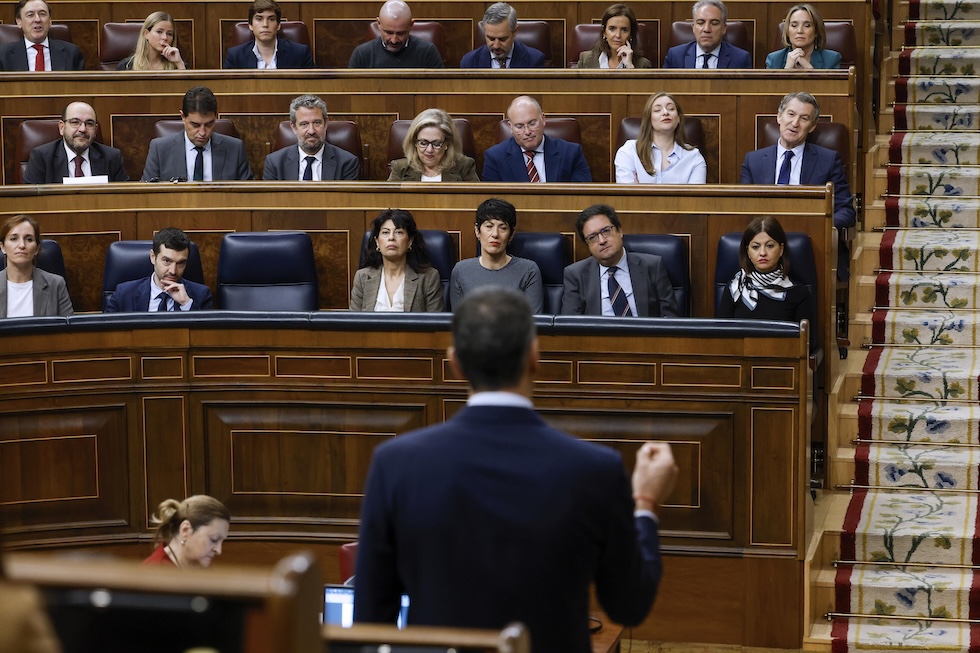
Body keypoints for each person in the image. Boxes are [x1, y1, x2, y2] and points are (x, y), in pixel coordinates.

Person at [353, 285, 678, 651]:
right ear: (534, 357)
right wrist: (646, 503)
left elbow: (370, 626)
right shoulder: (595, 469)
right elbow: (629, 605)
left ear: (455, 363)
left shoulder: (395, 465)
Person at [739, 91, 854, 276]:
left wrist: (817, 225)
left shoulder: (828, 160)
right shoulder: (753, 161)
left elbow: (846, 211)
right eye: (791, 114)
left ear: (812, 126)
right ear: (779, 116)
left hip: (812, 245)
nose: (795, 123)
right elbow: (743, 209)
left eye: (804, 118)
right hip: (764, 246)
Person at [561, 204, 678, 317]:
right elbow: (569, 325)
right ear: (587, 244)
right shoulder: (575, 275)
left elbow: (670, 319)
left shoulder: (652, 266)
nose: (602, 241)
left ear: (620, 231)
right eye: (592, 237)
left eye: (606, 231)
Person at [716, 216, 815, 329]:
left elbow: (807, 339)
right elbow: (720, 336)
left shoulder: (799, 294)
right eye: (755, 247)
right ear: (748, 252)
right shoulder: (735, 289)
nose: (762, 253)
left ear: (781, 249)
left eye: (769, 246)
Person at [141, 87, 253, 182]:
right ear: (183, 117)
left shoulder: (235, 149)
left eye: (209, 124)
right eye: (195, 125)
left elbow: (249, 195)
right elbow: (146, 194)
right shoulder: (160, 150)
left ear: (216, 117)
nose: (203, 133)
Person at [450, 198, 543, 312]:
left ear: (511, 235)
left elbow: (533, 320)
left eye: (503, 228)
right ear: (477, 231)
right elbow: (458, 319)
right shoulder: (461, 271)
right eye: (489, 226)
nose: (495, 234)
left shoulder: (528, 270)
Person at [350, 209, 444, 312]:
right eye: (385, 232)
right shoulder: (362, 278)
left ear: (410, 241)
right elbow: (353, 321)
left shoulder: (428, 278)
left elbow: (435, 321)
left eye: (399, 232)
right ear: (377, 242)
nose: (391, 238)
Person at [482, 96, 591, 183]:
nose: (527, 132)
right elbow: (493, 201)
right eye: (519, 126)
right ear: (511, 127)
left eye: (532, 123)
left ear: (543, 119)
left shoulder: (571, 153)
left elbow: (582, 197)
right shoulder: (495, 157)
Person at [105, 227, 213, 312]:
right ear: (153, 257)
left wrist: (186, 304)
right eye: (167, 261)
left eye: (180, 263)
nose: (173, 271)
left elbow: (206, 333)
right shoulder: (124, 294)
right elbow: (107, 331)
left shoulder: (201, 295)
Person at [23, 102, 129, 184]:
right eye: (75, 122)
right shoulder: (42, 158)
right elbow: (32, 201)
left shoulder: (112, 158)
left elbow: (124, 198)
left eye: (89, 124)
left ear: (95, 130)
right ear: (62, 127)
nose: (82, 129)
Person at [614, 92, 706, 184]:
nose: (665, 112)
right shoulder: (629, 151)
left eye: (671, 108)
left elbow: (695, 194)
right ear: (649, 119)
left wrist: (641, 189)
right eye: (657, 110)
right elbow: (627, 193)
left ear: (678, 118)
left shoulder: (694, 157)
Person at [263, 94, 359, 181]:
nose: (311, 131)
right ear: (294, 127)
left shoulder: (347, 163)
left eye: (317, 123)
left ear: (326, 124)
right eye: (304, 124)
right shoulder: (274, 163)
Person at [0, 214, 72, 318]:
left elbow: (69, 327)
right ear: (3, 247)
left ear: (37, 248)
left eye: (29, 239)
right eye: (14, 239)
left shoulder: (56, 285)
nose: (22, 245)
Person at [387, 108, 479, 181]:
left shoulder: (464, 166)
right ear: (415, 142)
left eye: (436, 143)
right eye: (423, 143)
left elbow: (476, 198)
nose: (429, 150)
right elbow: (389, 198)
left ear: (447, 143)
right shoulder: (400, 168)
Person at [348, 0, 444, 68]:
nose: (394, 40)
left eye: (400, 33)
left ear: (411, 25)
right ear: (379, 24)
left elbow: (440, 88)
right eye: (388, 32)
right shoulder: (361, 54)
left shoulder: (428, 52)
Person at [143, 495, 230, 567]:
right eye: (214, 539)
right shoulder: (154, 571)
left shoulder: (200, 564)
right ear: (185, 530)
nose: (219, 550)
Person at [223, 0, 315, 69]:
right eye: (259, 19)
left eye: (271, 19)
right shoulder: (235, 56)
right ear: (250, 25)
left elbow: (311, 87)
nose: (265, 25)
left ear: (278, 25)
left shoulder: (300, 53)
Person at [662, 0, 752, 68]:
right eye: (701, 23)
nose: (706, 29)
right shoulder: (675, 56)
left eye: (714, 23)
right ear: (693, 27)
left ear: (724, 28)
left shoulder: (740, 59)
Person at [0, 0, 84, 71]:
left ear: (50, 20)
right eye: (30, 15)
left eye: (42, 14)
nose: (37, 19)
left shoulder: (72, 53)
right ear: (19, 22)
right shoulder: (3, 55)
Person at [459, 2, 545, 68]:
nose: (496, 46)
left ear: (515, 32)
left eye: (502, 39)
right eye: (491, 39)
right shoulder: (469, 62)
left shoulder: (534, 60)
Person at [765, 3, 841, 69]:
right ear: (787, 31)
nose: (799, 31)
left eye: (807, 25)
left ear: (816, 31)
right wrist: (787, 70)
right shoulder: (774, 59)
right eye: (794, 25)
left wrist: (810, 70)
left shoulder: (832, 59)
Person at [575, 4, 652, 69]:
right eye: (612, 29)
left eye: (624, 30)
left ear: (630, 34)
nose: (618, 35)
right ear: (604, 32)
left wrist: (630, 66)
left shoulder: (643, 65)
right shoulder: (585, 60)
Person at [117, 12, 186, 70]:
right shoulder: (126, 66)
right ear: (146, 34)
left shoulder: (177, 64)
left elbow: (185, 82)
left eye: (169, 34)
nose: (165, 37)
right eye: (159, 32)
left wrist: (179, 63)